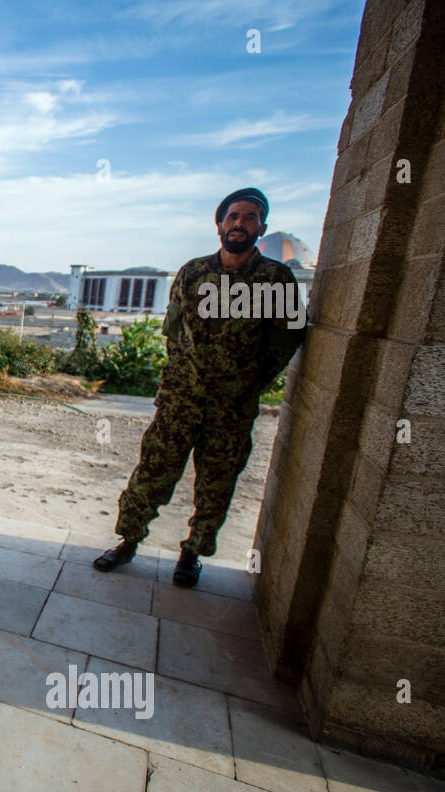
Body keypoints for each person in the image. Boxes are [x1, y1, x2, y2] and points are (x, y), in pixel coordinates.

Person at [92, 187, 305, 586]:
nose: (240, 223)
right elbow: (173, 331)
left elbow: (288, 335)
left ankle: (192, 554)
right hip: (180, 401)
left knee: (217, 483)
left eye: (250, 217)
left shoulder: (275, 278)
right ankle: (128, 541)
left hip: (231, 407)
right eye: (233, 216)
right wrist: (179, 378)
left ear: (262, 227)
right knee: (152, 472)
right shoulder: (193, 272)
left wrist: (251, 379)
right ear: (220, 224)